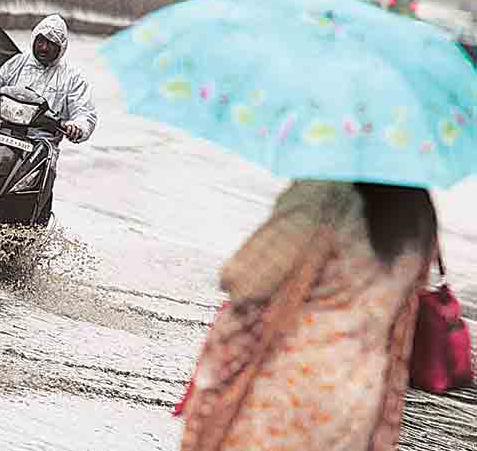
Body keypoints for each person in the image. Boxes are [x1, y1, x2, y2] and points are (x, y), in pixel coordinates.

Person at [179, 180, 439, 451]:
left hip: (287, 384)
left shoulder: (322, 192)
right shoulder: (419, 213)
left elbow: (246, 279)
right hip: (360, 396)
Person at [0, 14, 98, 221]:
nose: (44, 48)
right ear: (34, 39)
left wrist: (76, 126)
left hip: (37, 147)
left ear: (61, 48)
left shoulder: (72, 79)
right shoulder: (13, 62)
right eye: (41, 41)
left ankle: (31, 227)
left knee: (38, 197)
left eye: (51, 44)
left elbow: (85, 113)